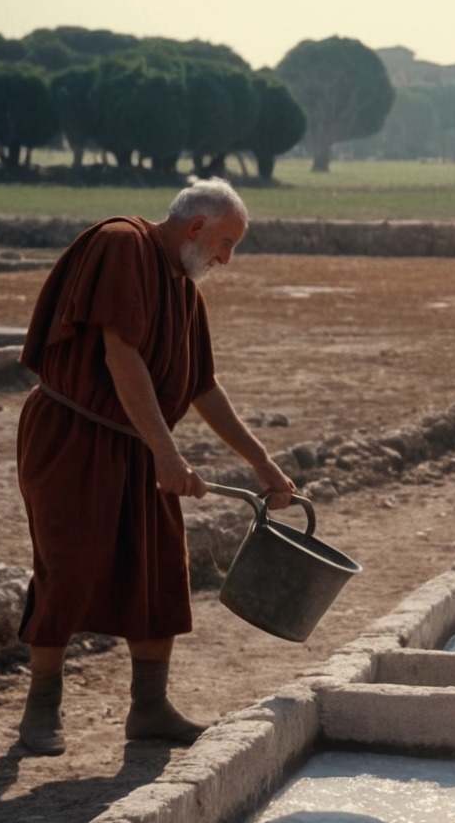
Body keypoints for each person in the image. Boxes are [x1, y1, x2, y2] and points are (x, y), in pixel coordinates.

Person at [15, 178, 297, 756]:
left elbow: (204, 387)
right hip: (74, 434)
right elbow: (121, 352)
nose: (227, 258)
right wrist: (167, 453)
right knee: (67, 563)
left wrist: (262, 463)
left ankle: (149, 709)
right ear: (196, 227)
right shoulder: (122, 245)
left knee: (159, 566)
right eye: (225, 243)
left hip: (142, 443)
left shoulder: (185, 291)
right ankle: (41, 709)